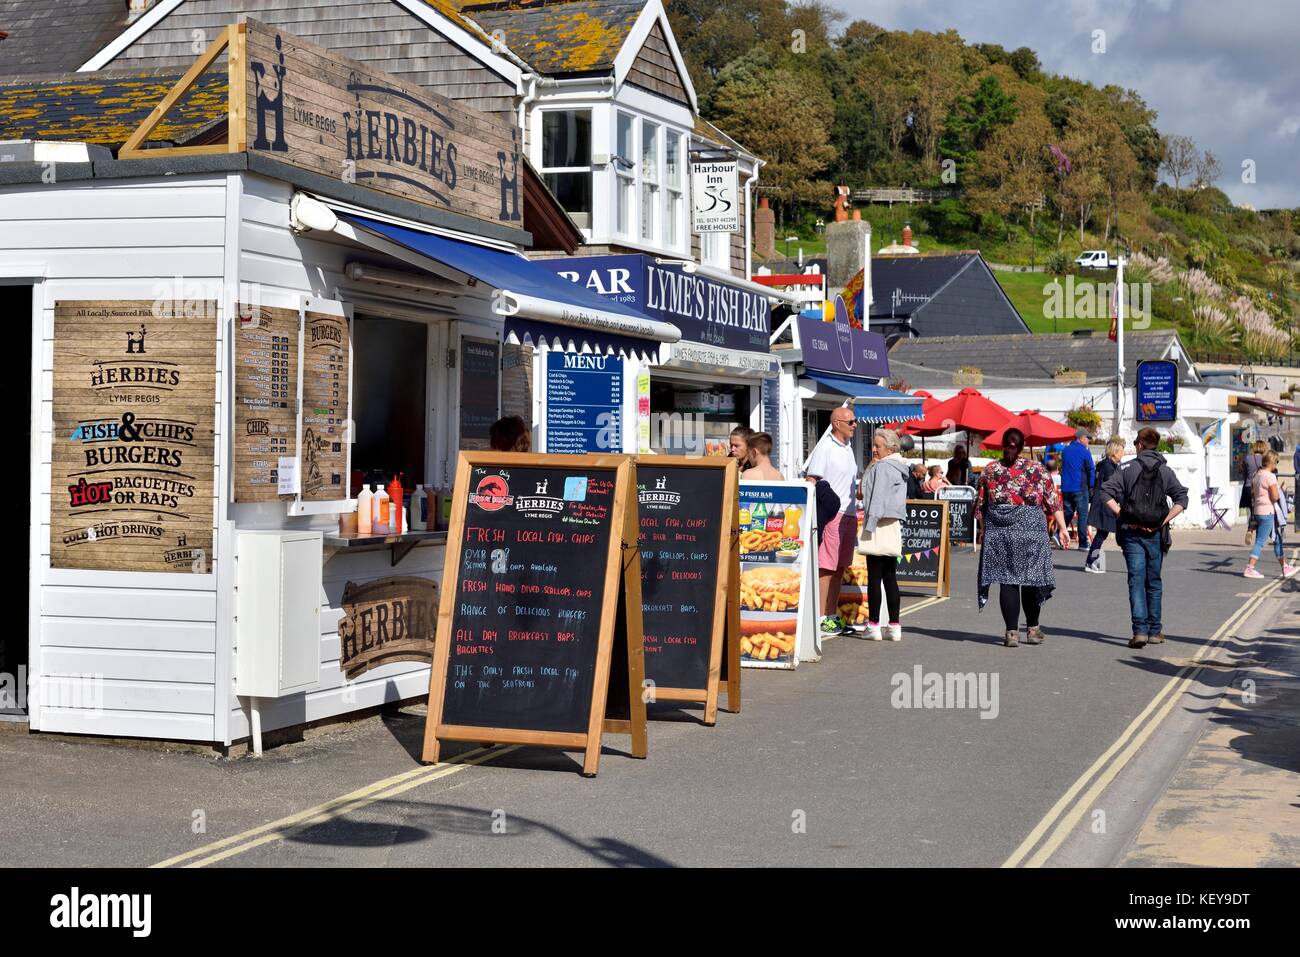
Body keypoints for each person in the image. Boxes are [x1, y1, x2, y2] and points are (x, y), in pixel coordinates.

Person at [976, 428, 1070, 647]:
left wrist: (983, 530)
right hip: (1032, 532)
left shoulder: (990, 470)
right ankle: (1033, 629)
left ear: (1003, 444)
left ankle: (1011, 633)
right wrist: (1063, 528)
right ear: (1021, 446)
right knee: (1031, 579)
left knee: (1007, 581)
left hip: (1000, 532)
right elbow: (1053, 502)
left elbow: (980, 506)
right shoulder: (1037, 470)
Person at [1099, 427, 1189, 649]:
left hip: (1131, 532)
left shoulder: (1127, 467)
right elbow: (1182, 499)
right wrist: (1163, 520)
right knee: (1154, 582)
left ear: (1139, 445)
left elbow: (1105, 493)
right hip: (1156, 533)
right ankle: (1155, 631)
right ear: (1156, 445)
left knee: (1136, 581)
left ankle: (1139, 631)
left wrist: (1122, 513)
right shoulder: (1165, 471)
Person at [804, 406, 859, 636]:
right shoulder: (825, 447)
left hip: (850, 513)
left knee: (839, 567)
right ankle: (819, 618)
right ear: (837, 423)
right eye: (851, 421)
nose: (855, 425)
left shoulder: (848, 448)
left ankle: (831, 615)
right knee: (826, 567)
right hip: (833, 515)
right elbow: (811, 479)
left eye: (855, 421)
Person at [857, 428, 909, 641]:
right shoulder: (897, 466)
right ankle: (894, 627)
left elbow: (875, 498)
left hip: (878, 523)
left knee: (874, 577)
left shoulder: (883, 468)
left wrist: (868, 527)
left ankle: (874, 626)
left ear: (890, 448)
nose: (874, 449)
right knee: (890, 576)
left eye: (877, 446)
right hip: (893, 524)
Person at [1244, 450, 1297, 579]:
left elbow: (1252, 493)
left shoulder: (1257, 475)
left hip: (1258, 511)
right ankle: (1250, 568)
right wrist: (1279, 494)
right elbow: (1274, 497)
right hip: (1267, 512)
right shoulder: (1270, 476)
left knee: (1278, 539)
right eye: (1276, 462)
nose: (1277, 465)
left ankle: (1285, 567)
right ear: (1272, 462)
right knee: (1260, 542)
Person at [1084, 437, 1126, 572]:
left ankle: (1091, 560)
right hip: (1104, 504)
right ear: (1114, 452)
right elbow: (1113, 487)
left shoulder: (1109, 465)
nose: (1123, 453)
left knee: (1102, 534)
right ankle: (1090, 561)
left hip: (1103, 503)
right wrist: (1123, 500)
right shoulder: (1109, 467)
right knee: (1102, 534)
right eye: (1121, 451)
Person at [1060, 428, 1095, 552]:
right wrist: (1092, 486)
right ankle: (1083, 544)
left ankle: (1058, 534)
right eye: (1087, 438)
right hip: (1080, 487)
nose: (1088, 441)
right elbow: (1091, 469)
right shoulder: (1084, 451)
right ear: (1081, 438)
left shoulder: (1065, 451)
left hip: (1066, 487)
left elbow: (1063, 468)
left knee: (1068, 512)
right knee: (1083, 515)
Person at [1241, 439, 1266, 545]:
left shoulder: (1247, 458)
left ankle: (1250, 531)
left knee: (1252, 512)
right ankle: (1258, 538)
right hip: (1259, 488)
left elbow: (1244, 474)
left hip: (1247, 487)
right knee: (1261, 513)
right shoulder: (1264, 459)